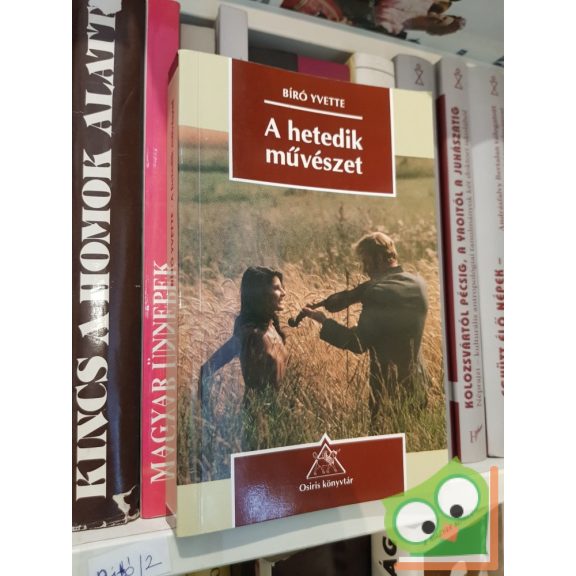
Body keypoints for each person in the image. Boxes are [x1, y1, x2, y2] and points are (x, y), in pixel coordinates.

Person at [301, 232, 429, 433]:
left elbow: (358, 343)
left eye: (366, 262)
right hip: (418, 385)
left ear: (379, 258)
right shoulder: (418, 283)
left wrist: (323, 321)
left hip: (388, 392)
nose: (364, 269)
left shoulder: (376, 292)